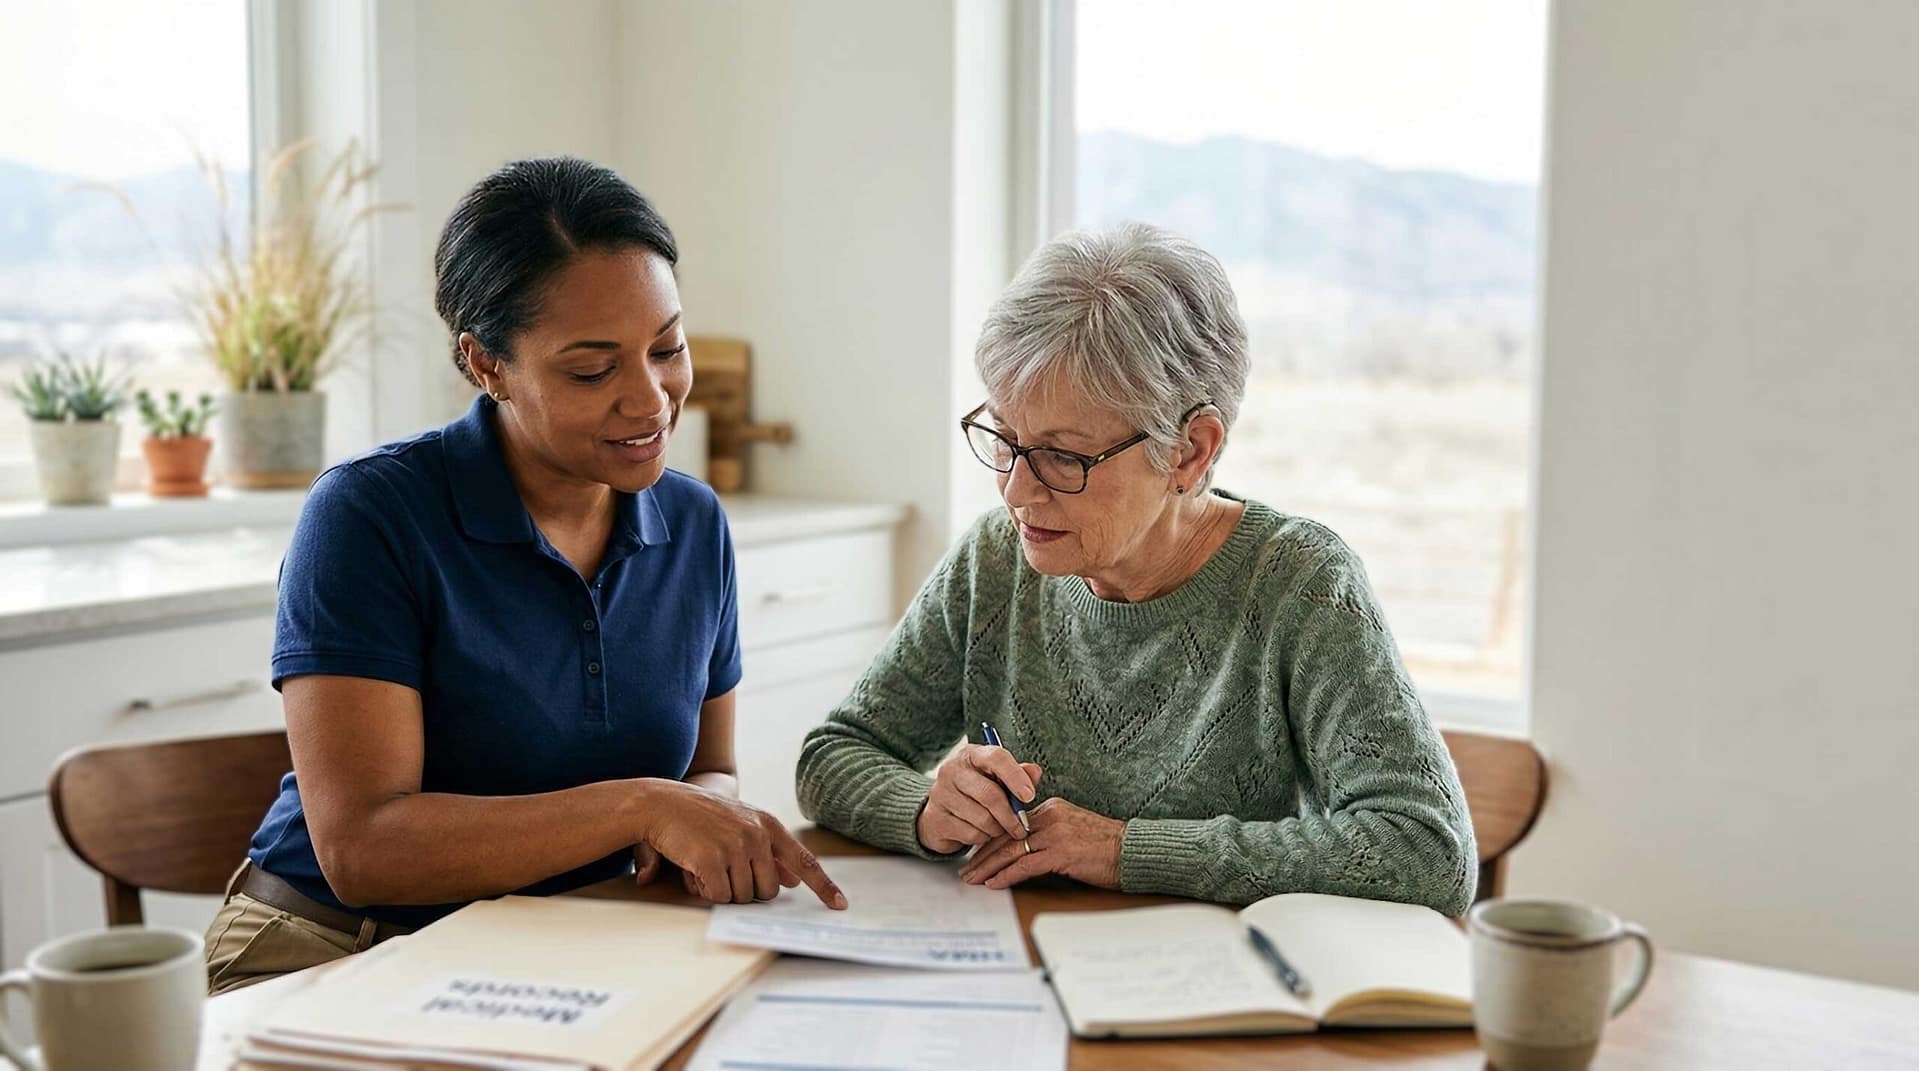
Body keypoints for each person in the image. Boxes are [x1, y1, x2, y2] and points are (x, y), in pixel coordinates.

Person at [205, 157, 842, 996]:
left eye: (667, 348)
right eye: (591, 369)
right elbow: (361, 849)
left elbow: (705, 768)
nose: (651, 400)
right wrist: (639, 807)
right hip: (337, 946)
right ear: (485, 364)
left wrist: (699, 814)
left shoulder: (692, 524)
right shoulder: (369, 516)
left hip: (563, 943)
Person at [797, 223, 1476, 913]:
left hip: (1217, 991)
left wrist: (1124, 848)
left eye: (1063, 456)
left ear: (1189, 451)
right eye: (1004, 437)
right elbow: (832, 757)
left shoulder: (1299, 583)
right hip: (1019, 968)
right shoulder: (995, 559)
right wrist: (925, 808)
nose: (1015, 490)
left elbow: (1426, 850)